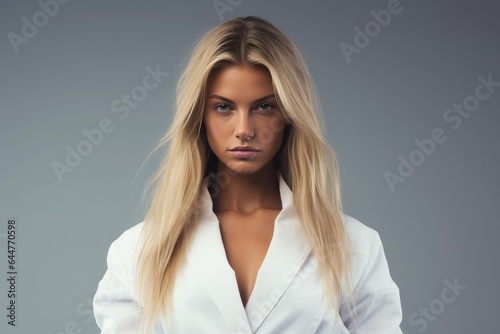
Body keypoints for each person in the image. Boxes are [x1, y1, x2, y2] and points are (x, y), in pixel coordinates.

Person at [93, 16, 403, 333]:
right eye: (224, 107)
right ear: (199, 115)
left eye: (264, 107)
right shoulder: (140, 251)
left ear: (290, 114)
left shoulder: (353, 246)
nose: (244, 130)